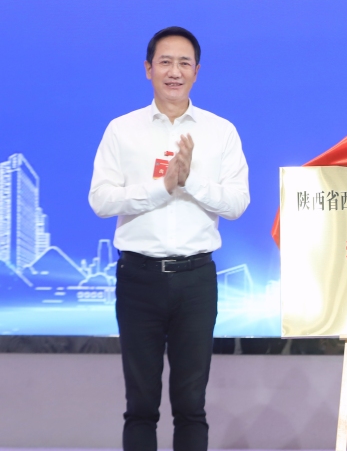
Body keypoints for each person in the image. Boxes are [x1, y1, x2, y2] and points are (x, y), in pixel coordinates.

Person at [89, 26, 249, 451]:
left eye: (184, 63)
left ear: (197, 71)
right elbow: (101, 200)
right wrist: (162, 186)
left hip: (196, 280)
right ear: (148, 69)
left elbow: (237, 203)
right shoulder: (122, 130)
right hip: (138, 278)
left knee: (191, 406)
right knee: (141, 406)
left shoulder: (221, 132)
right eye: (165, 62)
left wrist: (189, 180)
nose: (174, 72)